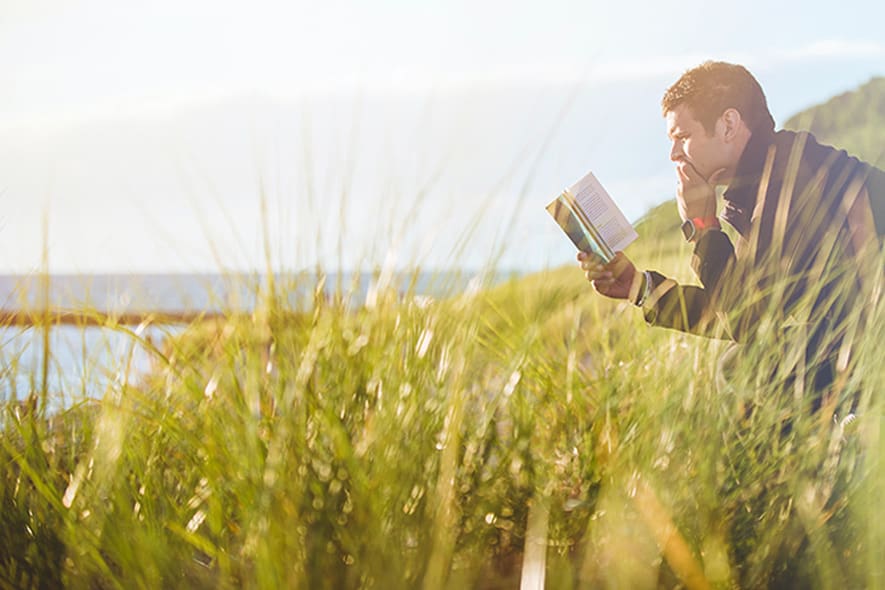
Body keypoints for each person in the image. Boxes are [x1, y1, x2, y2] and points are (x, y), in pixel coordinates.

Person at [578, 61, 884, 411]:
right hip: (862, 343)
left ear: (728, 124)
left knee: (741, 366)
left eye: (682, 137)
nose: (674, 154)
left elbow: (747, 322)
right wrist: (639, 287)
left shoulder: (791, 180)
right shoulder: (760, 184)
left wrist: (704, 227)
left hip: (872, 352)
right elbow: (741, 308)